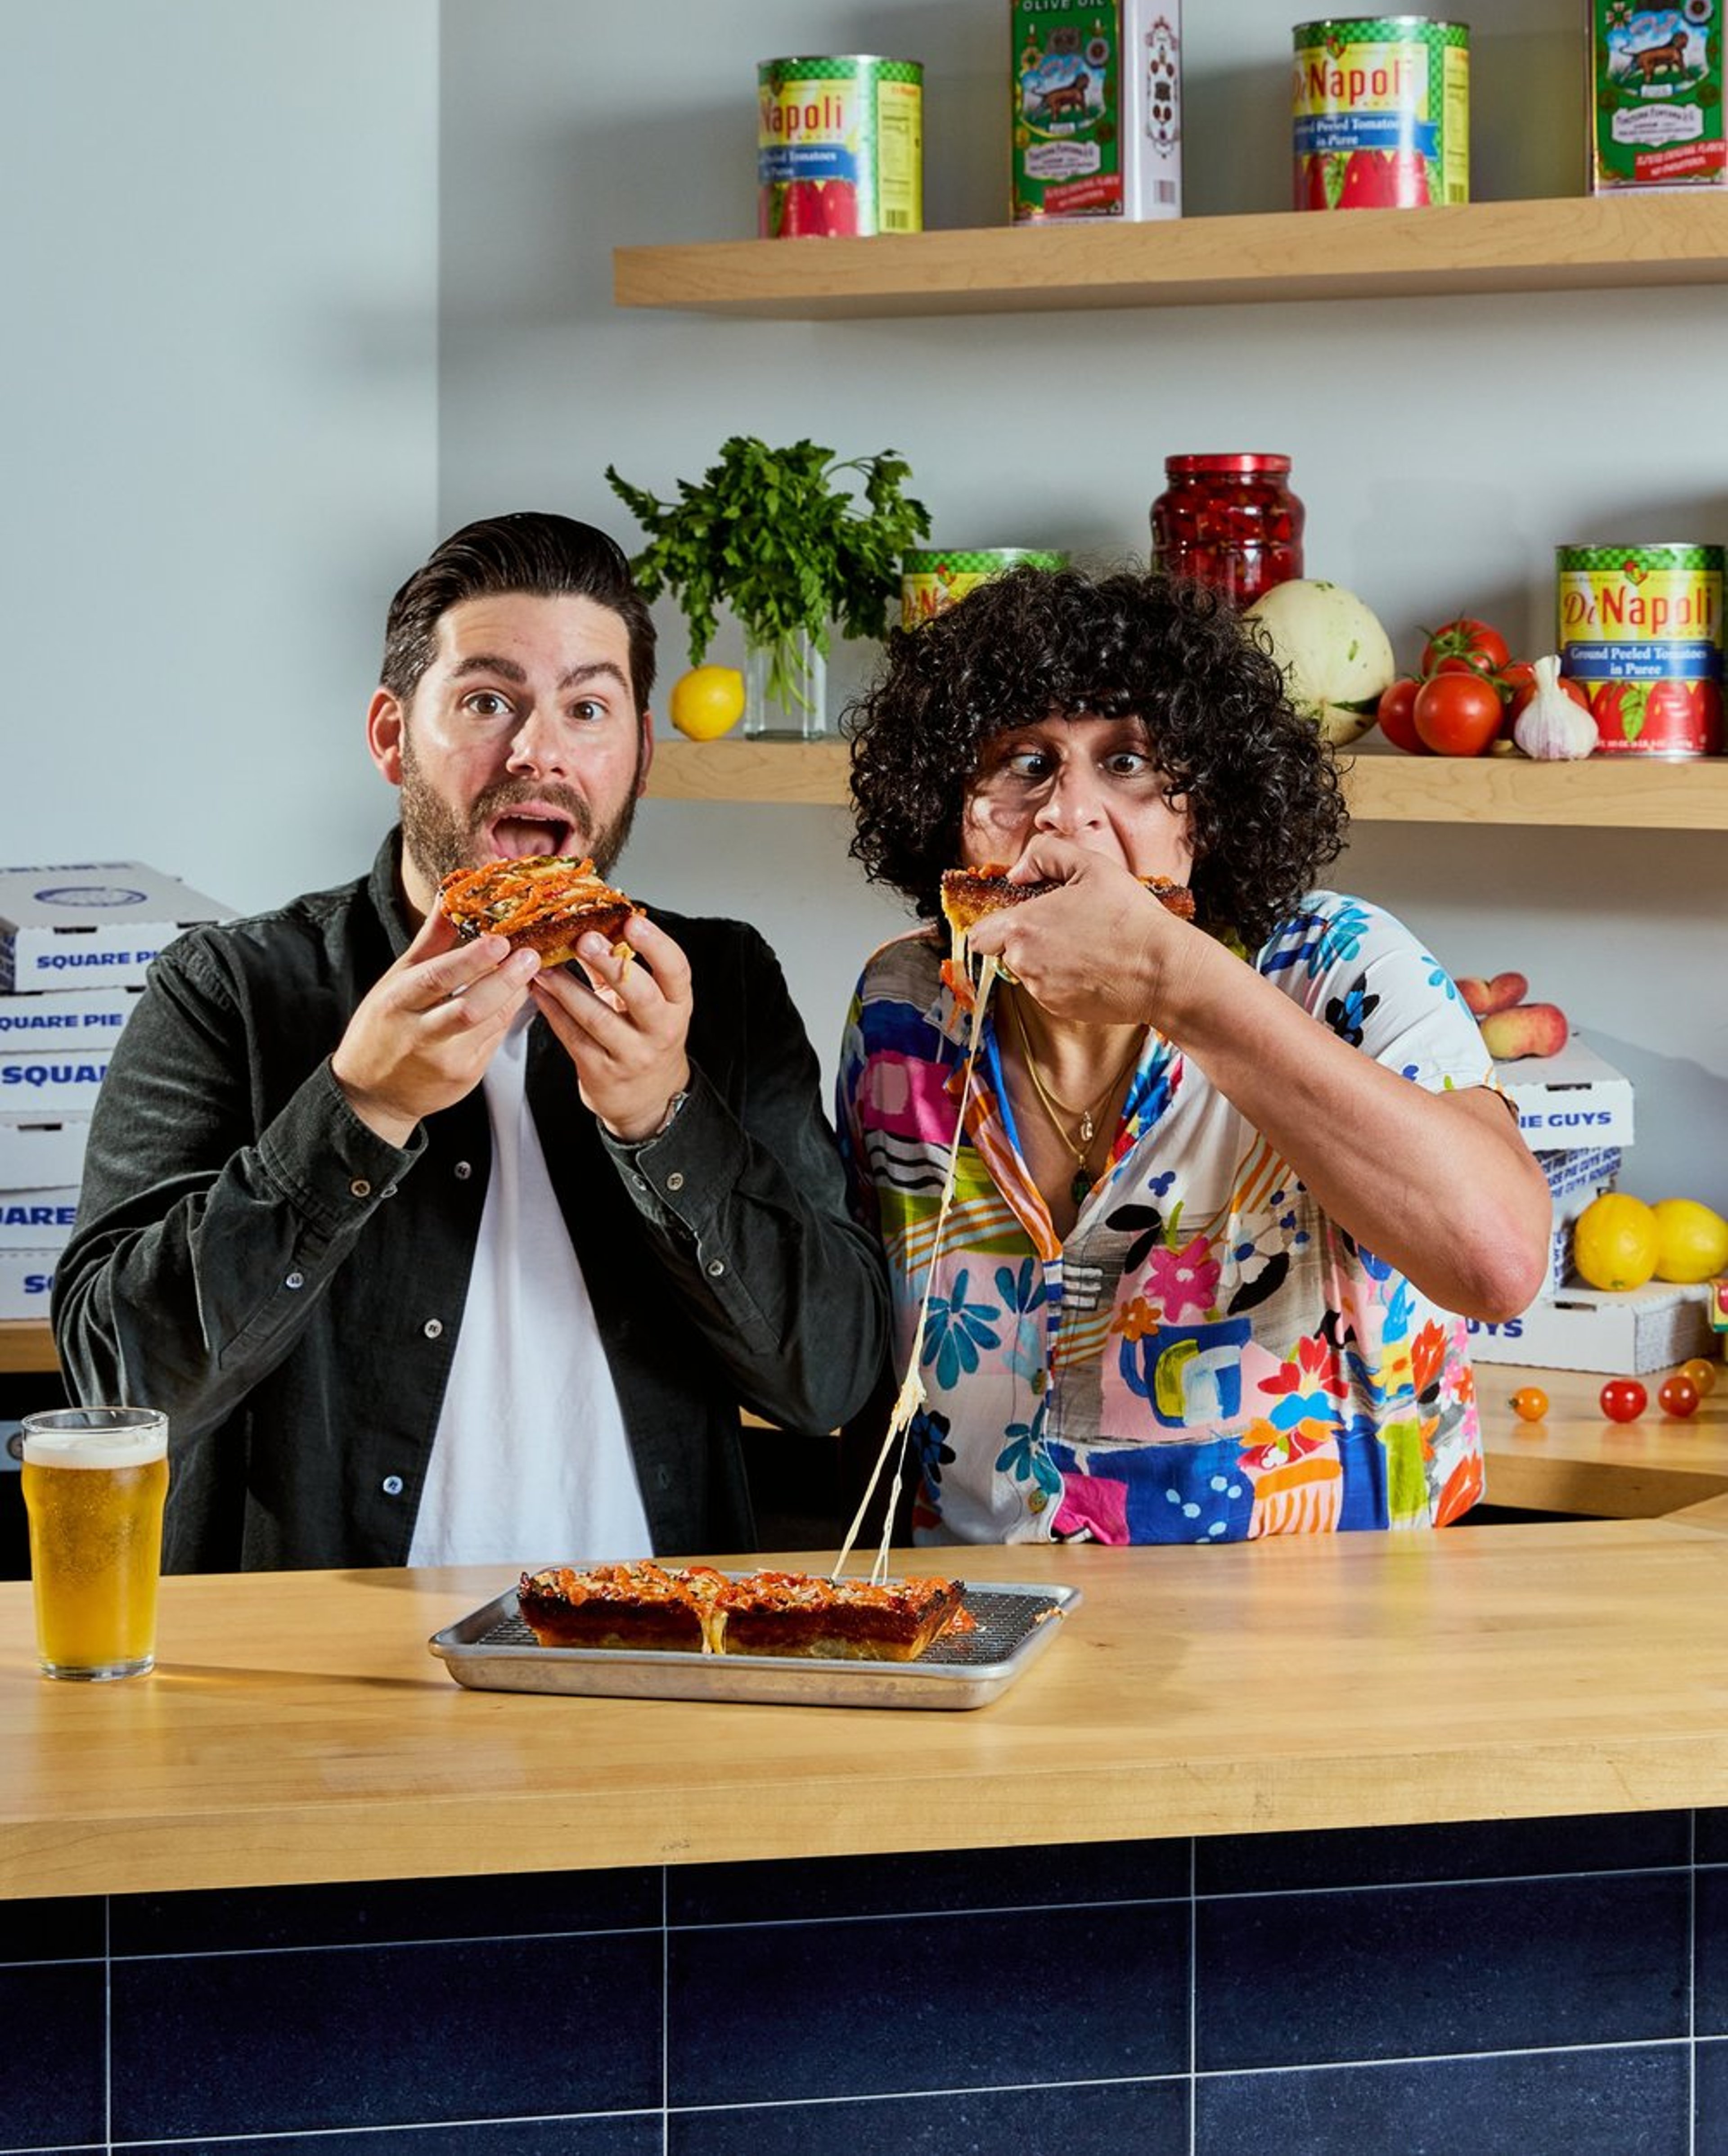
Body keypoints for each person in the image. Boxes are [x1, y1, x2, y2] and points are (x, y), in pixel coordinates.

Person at [53, 512, 889, 1571]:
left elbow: (829, 1381)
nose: (538, 751)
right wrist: (360, 1110)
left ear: (638, 756)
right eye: (488, 701)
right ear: (392, 735)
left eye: (589, 708)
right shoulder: (229, 990)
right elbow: (115, 1388)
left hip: (656, 1662)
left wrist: (663, 1116)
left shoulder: (720, 987)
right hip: (324, 1681)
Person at [837, 564, 1550, 1546]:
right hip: (988, 1636)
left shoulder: (1341, 966)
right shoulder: (903, 1012)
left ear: (1203, 809)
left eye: (1127, 763)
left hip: (1325, 1656)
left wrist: (1181, 984)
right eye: (1023, 762)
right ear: (950, 805)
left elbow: (1501, 1264)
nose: (1067, 815)